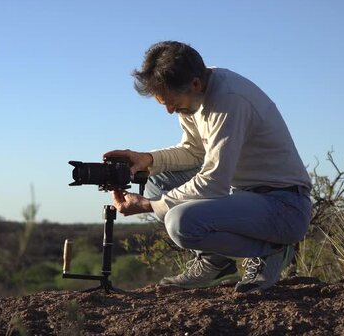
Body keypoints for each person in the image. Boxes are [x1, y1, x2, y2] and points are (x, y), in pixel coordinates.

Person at [104, 41, 312, 293]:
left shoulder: (229, 101)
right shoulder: (194, 93)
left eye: (171, 102)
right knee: (156, 178)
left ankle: (272, 249)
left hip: (283, 207)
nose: (170, 111)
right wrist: (147, 159)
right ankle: (217, 262)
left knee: (180, 223)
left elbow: (214, 182)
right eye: (163, 104)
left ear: (194, 84)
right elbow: (193, 151)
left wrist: (150, 205)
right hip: (244, 196)